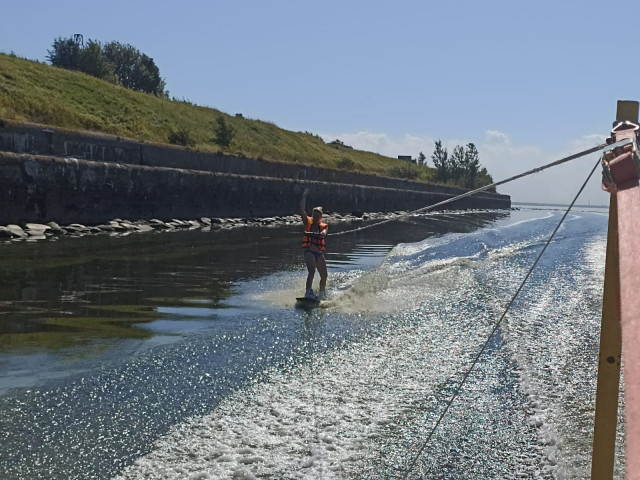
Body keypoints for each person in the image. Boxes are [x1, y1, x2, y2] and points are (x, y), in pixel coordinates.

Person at [300, 187, 328, 300]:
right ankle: (308, 293)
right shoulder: (307, 222)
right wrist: (304, 196)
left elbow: (324, 233)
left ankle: (322, 294)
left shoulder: (324, 226)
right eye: (314, 215)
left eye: (318, 215)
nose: (315, 216)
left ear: (320, 217)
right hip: (309, 252)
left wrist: (321, 233)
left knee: (324, 276)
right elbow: (302, 210)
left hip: (319, 254)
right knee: (311, 271)